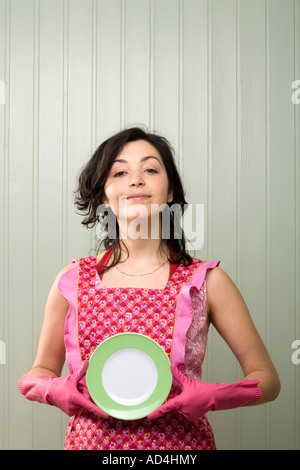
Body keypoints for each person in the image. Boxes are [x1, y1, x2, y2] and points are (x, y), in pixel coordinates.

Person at [18, 127, 280, 450]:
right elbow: (37, 373)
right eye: (120, 171)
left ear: (169, 192)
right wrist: (54, 389)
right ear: (103, 195)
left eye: (151, 169)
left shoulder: (208, 282)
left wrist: (214, 396)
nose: (136, 180)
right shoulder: (71, 281)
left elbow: (267, 379)